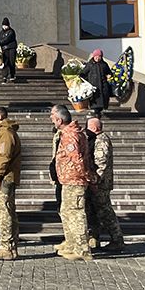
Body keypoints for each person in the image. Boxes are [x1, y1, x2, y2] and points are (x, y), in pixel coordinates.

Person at [51, 104, 93, 261]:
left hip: (74, 180)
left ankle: (82, 249)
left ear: (60, 120)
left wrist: (84, 175)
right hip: (68, 179)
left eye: (53, 118)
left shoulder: (70, 135)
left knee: (76, 213)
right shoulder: (68, 133)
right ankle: (72, 244)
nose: (51, 120)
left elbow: (77, 158)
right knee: (67, 212)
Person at [0, 106, 21, 260]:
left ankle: (6, 247)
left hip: (5, 177)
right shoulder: (5, 131)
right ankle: (10, 247)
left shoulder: (5, 133)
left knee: (3, 211)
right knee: (8, 210)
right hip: (8, 176)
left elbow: (4, 156)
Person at [86, 117, 125, 252]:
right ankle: (94, 239)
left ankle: (117, 239)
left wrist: (95, 180)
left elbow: (101, 163)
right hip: (95, 183)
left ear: (96, 128)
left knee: (105, 212)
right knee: (93, 212)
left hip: (101, 184)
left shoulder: (101, 140)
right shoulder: (95, 139)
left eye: (89, 127)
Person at [80, 49, 114, 117]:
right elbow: (83, 73)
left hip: (103, 85)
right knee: (95, 101)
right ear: (93, 56)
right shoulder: (90, 64)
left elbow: (109, 72)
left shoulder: (104, 64)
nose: (97, 58)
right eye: (96, 57)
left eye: (99, 57)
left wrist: (109, 75)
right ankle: (95, 112)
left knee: (103, 99)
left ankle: (100, 111)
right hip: (94, 86)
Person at [0, 18, 18, 84]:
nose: (4, 27)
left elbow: (6, 40)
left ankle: (12, 75)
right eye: (3, 25)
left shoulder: (11, 32)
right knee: (5, 63)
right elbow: (0, 40)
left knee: (11, 62)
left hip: (11, 48)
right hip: (5, 49)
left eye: (6, 25)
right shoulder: (1, 33)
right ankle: (4, 76)